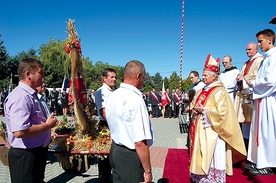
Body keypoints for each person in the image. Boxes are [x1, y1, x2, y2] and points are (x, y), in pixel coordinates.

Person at [189, 54, 246, 182]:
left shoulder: (220, 91)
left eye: (205, 75)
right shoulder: (202, 90)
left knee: (213, 155)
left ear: (214, 76)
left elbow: (223, 113)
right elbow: (195, 103)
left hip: (213, 130)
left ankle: (212, 177)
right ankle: (200, 175)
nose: (203, 77)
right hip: (201, 128)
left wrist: (205, 110)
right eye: (203, 75)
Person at [4, 58, 57, 183]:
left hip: (34, 154)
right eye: (41, 73)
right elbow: (20, 131)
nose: (44, 77)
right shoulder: (21, 97)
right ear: (28, 74)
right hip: (26, 156)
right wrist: (47, 125)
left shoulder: (29, 95)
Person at [106, 60, 153, 183]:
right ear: (138, 76)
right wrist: (148, 171)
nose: (144, 80)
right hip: (130, 156)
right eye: (144, 77)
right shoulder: (135, 99)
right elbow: (140, 142)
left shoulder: (114, 95)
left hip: (116, 150)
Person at [246, 29, 276, 175]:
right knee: (260, 131)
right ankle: (260, 161)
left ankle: (269, 164)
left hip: (270, 99)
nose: (259, 44)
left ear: (270, 40)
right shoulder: (265, 58)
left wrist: (253, 83)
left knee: (268, 132)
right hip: (262, 98)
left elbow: (271, 81)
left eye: (261, 41)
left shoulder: (275, 56)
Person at [234, 42, 263, 151]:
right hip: (244, 94)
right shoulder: (246, 63)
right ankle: (245, 147)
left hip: (253, 94)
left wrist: (243, 78)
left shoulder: (260, 60)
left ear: (256, 50)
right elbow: (240, 75)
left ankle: (252, 149)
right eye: (246, 50)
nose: (247, 51)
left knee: (253, 123)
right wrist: (239, 78)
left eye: (250, 49)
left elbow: (256, 75)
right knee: (245, 122)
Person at [95, 68, 117, 183]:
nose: (114, 79)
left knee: (110, 156)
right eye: (111, 77)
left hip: (111, 124)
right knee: (104, 157)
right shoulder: (101, 91)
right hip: (105, 126)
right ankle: (103, 179)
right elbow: (104, 113)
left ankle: (107, 178)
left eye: (115, 77)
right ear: (104, 79)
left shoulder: (111, 91)